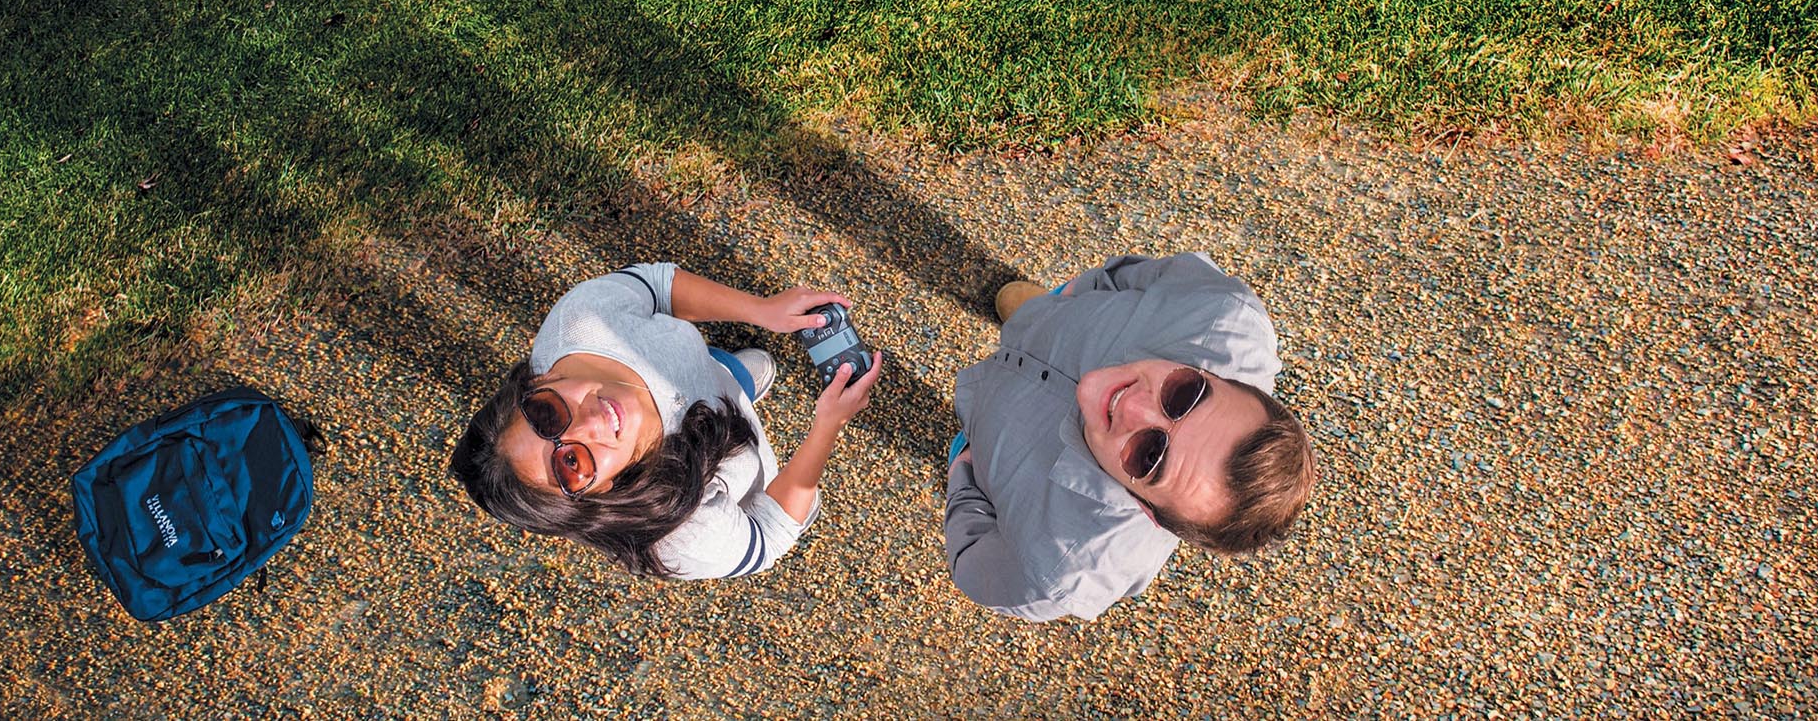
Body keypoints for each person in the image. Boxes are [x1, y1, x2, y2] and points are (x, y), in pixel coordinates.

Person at [943, 252, 1314, 621]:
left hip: (979, 419)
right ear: (1223, 376)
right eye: (1186, 394)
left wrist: (964, 472)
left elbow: (972, 557)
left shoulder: (1058, 574)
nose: (1134, 406)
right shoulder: (1223, 315)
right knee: (1035, 312)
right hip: (1049, 322)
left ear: (1148, 512)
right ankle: (1034, 314)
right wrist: (1068, 299)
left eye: (1150, 455)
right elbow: (1129, 276)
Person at [452, 262, 882, 579]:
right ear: (598, 495)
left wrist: (760, 310)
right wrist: (826, 426)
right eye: (571, 465)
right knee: (791, 504)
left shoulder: (582, 322)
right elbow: (766, 537)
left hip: (709, 383)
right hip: (750, 482)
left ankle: (737, 382)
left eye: (547, 414)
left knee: (721, 379)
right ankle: (745, 405)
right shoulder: (681, 532)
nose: (588, 425)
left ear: (537, 380)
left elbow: (656, 286)